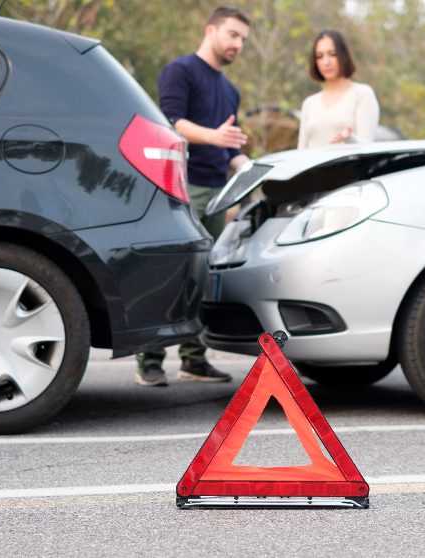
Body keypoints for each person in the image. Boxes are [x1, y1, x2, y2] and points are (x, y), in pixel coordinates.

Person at [135, 6, 251, 387]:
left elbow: (230, 148)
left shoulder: (230, 89)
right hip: (178, 188)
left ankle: (193, 360)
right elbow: (170, 123)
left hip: (217, 193)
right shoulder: (180, 71)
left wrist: (247, 165)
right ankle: (149, 360)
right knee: (169, 272)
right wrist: (214, 137)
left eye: (243, 40)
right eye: (233, 35)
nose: (238, 44)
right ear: (211, 30)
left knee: (202, 277)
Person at [297, 29, 380, 149]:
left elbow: (368, 147)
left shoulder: (362, 94)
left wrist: (348, 139)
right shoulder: (309, 103)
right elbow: (301, 151)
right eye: (319, 56)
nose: (326, 62)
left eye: (333, 54)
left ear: (344, 55)